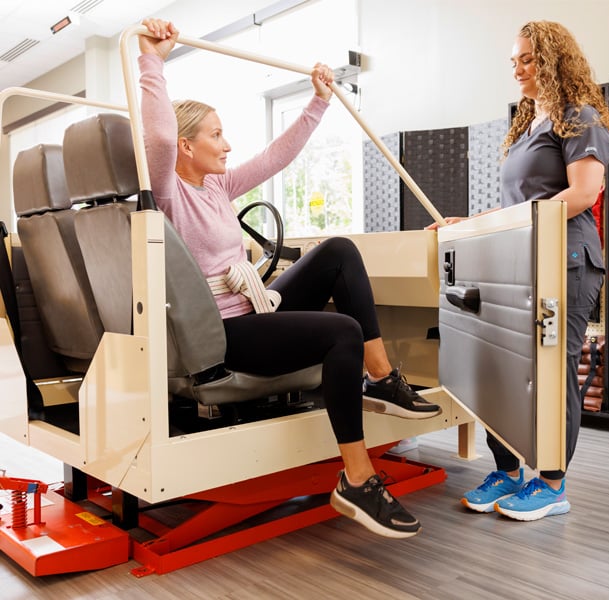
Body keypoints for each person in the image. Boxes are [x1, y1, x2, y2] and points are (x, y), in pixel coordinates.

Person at [138, 18, 440, 538]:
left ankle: (383, 378)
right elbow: (159, 134)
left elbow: (279, 156)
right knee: (340, 330)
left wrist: (318, 101)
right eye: (216, 135)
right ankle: (357, 478)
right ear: (186, 147)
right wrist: (152, 61)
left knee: (338, 251)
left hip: (252, 305)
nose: (227, 145)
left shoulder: (217, 186)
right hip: (226, 332)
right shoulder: (168, 192)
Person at [428, 20, 609, 521]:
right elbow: (522, 205)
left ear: (554, 61)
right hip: (523, 260)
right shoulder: (527, 126)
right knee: (503, 369)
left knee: (551, 373)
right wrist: (471, 223)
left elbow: (583, 194)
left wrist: (511, 224)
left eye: (529, 59)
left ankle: (552, 484)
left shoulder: (579, 118)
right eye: (514, 60)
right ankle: (510, 469)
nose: (518, 68)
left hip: (568, 260)